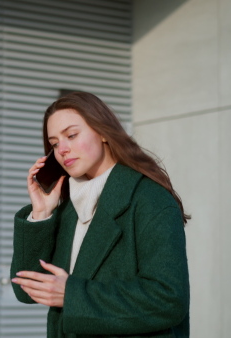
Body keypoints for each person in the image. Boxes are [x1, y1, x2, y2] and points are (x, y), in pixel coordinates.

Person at [10, 92, 190, 337]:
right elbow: (26, 290)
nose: (62, 149)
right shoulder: (68, 206)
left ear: (104, 132)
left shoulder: (149, 199)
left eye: (71, 135)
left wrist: (72, 295)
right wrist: (41, 213)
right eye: (54, 143)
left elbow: (168, 300)